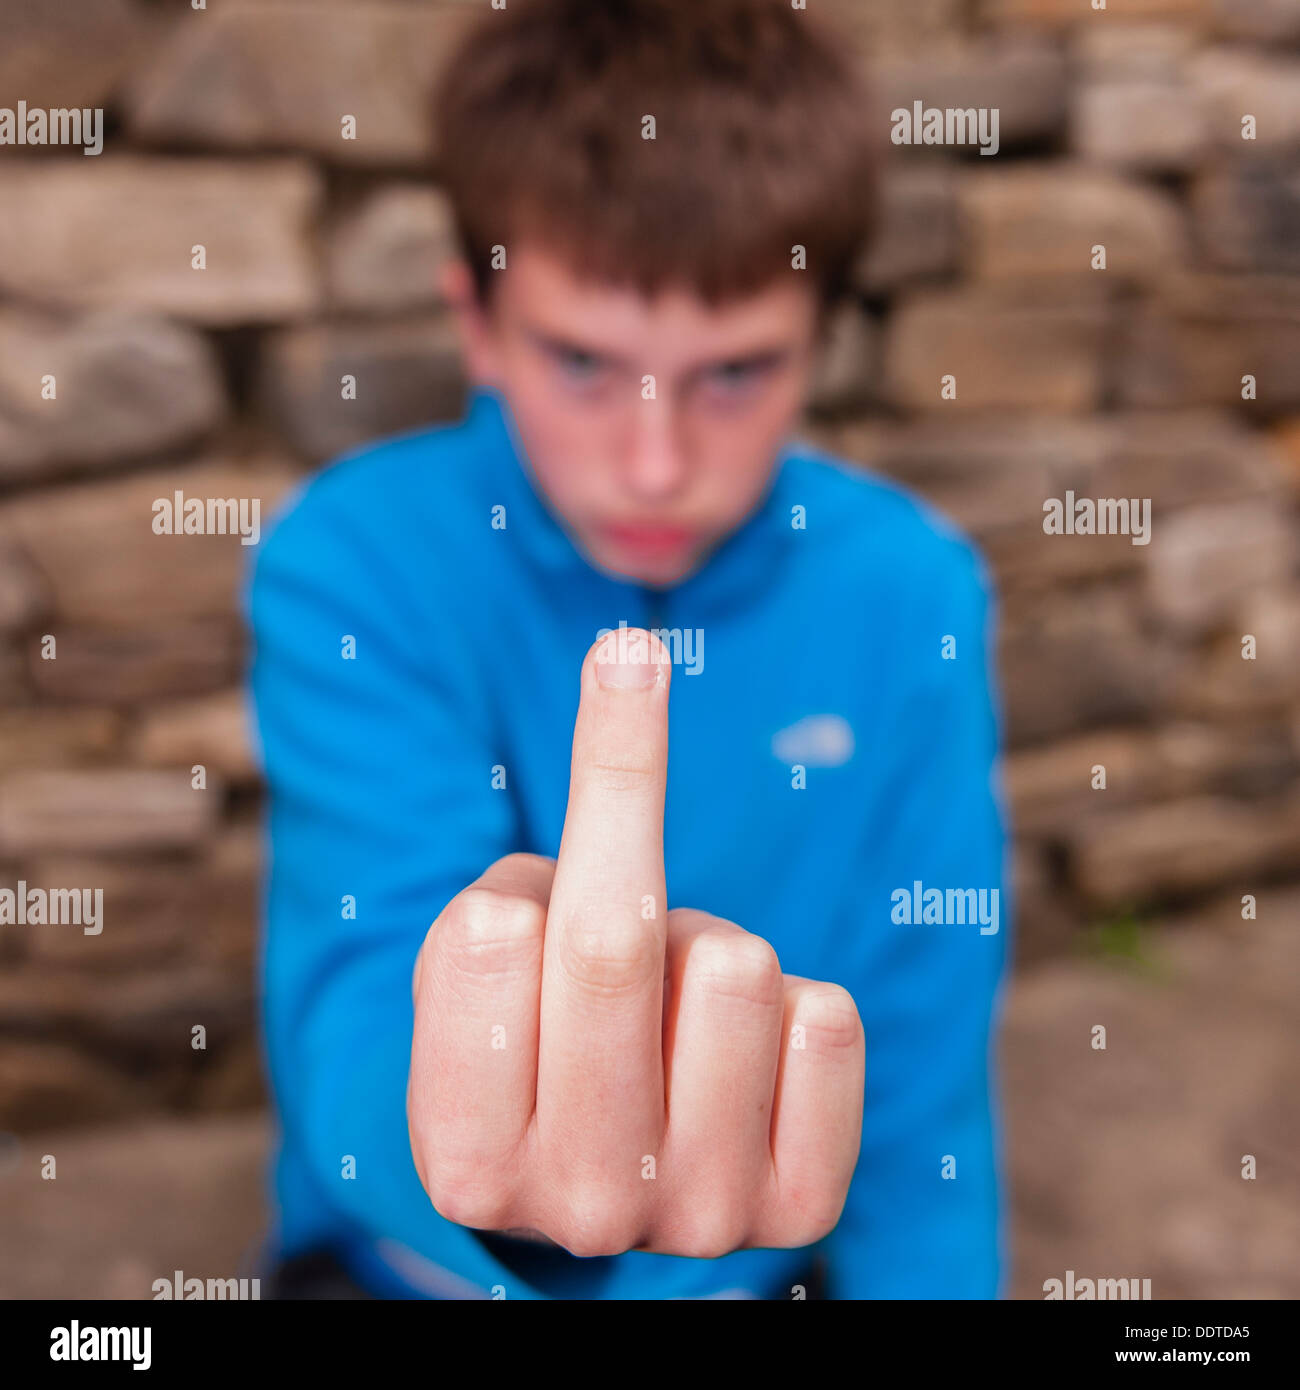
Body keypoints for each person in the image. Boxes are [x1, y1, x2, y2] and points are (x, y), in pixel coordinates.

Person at [246, 0, 1011, 1301]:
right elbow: (359, 1002)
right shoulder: (353, 563)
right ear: (475, 325)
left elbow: (922, 1075)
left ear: (821, 340)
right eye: (585, 361)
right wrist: (506, 1197)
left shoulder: (909, 592)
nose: (656, 463)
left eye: (734, 372)